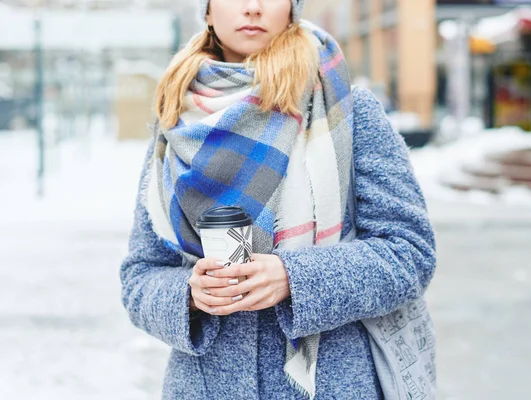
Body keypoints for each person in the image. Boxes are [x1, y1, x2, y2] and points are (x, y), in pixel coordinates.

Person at [120, 0, 437, 399]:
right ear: (207, 10)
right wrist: (189, 296)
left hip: (332, 384)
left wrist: (294, 277)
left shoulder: (347, 110)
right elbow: (140, 275)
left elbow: (409, 253)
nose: (252, 8)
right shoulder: (176, 122)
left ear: (292, 8)